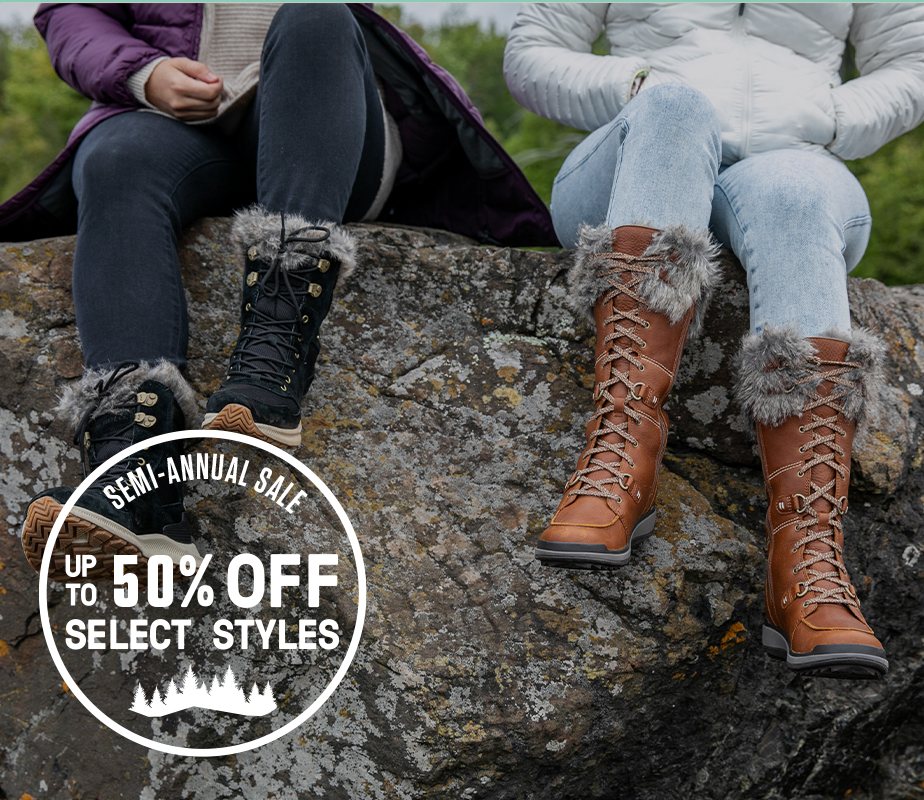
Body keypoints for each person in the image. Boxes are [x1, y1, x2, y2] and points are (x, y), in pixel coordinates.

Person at [5, 3, 556, 582]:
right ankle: (133, 478)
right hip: (174, 125)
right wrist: (145, 73)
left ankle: (273, 352)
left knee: (314, 16)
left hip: (323, 118)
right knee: (116, 159)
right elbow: (71, 14)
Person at [504, 2, 924, 678]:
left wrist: (831, 117)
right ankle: (620, 452)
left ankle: (806, 566)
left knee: (793, 193)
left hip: (792, 159)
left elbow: (912, 62)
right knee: (675, 106)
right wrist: (636, 83)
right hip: (640, 153)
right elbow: (532, 52)